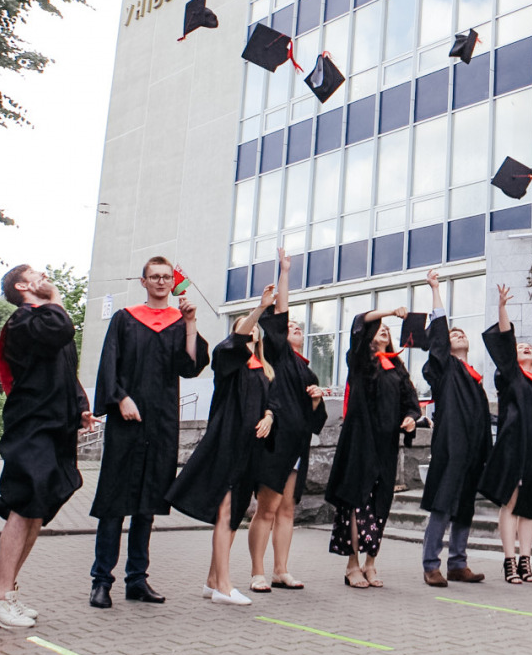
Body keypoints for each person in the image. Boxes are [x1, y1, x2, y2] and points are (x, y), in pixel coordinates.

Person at [88, 256, 210, 609]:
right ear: (143, 282)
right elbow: (108, 364)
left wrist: (190, 322)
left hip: (160, 423)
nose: (159, 282)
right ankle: (101, 581)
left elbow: (190, 366)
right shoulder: (124, 319)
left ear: (171, 283)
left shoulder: (177, 322)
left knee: (147, 506)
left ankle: (137, 580)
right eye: (153, 277)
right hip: (127, 423)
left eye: (165, 277)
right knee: (114, 503)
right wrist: (119, 398)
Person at [0, 265, 95, 629]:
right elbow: (60, 328)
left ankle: (8, 591)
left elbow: (65, 368)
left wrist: (81, 407)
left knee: (39, 507)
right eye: (36, 272)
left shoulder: (44, 320)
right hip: (31, 423)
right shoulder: (22, 322)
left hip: (55, 425)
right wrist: (57, 299)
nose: (45, 274)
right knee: (26, 502)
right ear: (22, 285)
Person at [167, 285, 275, 605]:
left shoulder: (263, 370)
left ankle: (212, 580)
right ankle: (224, 587)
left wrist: (269, 415)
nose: (251, 328)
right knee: (225, 511)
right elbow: (237, 339)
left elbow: (270, 402)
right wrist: (259, 308)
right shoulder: (228, 359)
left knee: (235, 511)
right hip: (227, 441)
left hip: (250, 448)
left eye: (255, 326)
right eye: (245, 324)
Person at [249, 250, 329, 593]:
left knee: (287, 510)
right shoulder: (279, 355)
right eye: (290, 327)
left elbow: (316, 421)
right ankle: (257, 572)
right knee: (266, 509)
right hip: (276, 440)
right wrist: (285, 272)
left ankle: (281, 569)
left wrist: (316, 399)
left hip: (298, 444)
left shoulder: (307, 368)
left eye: (299, 328)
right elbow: (281, 311)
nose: (294, 328)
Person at [324, 304, 419, 588]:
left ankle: (371, 563)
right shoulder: (359, 361)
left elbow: (411, 405)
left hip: (386, 445)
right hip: (360, 443)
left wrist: (411, 419)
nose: (385, 331)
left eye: (387, 331)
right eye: (379, 329)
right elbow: (358, 321)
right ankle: (352, 564)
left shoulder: (398, 369)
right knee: (356, 502)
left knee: (380, 505)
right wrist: (389, 313)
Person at [479, 285, 532, 584]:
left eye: (530, 347)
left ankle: (527, 561)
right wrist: (502, 307)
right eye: (520, 346)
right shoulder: (510, 375)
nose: (525, 347)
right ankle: (509, 561)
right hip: (513, 447)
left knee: (529, 507)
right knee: (510, 504)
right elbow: (505, 338)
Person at [417, 267, 491, 587]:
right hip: (450, 446)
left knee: (465, 508)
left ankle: (458, 563)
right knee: (443, 504)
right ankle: (431, 563)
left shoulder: (476, 380)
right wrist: (435, 289)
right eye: (453, 333)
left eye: (462, 333)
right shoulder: (444, 369)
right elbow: (437, 337)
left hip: (472, 452)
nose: (457, 334)